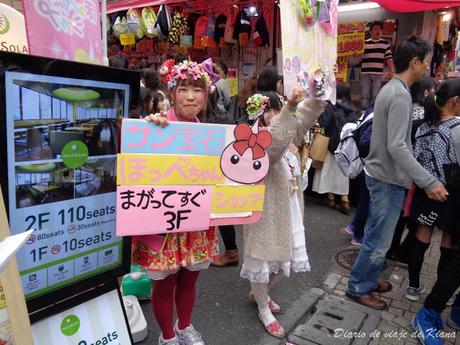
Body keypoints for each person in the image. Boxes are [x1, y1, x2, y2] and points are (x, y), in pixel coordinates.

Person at [345, 36, 448, 311]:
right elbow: (397, 146)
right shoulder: (400, 94)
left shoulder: (391, 88)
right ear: (414, 63)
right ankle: (358, 287)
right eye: (426, 62)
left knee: (377, 236)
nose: (428, 67)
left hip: (382, 175)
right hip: (386, 179)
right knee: (378, 240)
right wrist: (428, 181)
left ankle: (368, 277)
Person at [133, 60, 218, 345]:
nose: (191, 96)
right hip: (162, 222)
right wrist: (147, 129)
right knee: (164, 284)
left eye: (197, 89)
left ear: (206, 96)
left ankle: (185, 327)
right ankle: (168, 337)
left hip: (196, 219)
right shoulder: (158, 125)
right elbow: (136, 158)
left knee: (189, 280)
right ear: (172, 93)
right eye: (183, 89)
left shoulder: (209, 135)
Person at [241, 87, 325, 338]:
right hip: (265, 215)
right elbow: (273, 148)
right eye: (272, 109)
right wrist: (289, 110)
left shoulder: (286, 130)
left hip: (288, 212)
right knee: (263, 260)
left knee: (284, 260)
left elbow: (302, 122)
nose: (278, 112)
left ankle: (259, 293)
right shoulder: (256, 140)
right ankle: (263, 308)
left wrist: (317, 95)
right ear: (260, 113)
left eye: (279, 107)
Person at [405, 79, 460, 303]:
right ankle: (440, 290)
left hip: (424, 189)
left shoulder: (424, 124)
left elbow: (414, 157)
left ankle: (413, 286)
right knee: (448, 240)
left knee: (421, 235)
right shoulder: (456, 129)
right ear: (455, 102)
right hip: (451, 193)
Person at [312, 84, 357, 214]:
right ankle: (345, 199)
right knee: (342, 174)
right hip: (346, 146)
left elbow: (324, 122)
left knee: (328, 170)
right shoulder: (352, 108)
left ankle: (331, 198)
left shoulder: (331, 105)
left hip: (331, 143)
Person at [360, 21, 395, 109]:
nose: (378, 31)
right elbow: (358, 57)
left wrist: (392, 71)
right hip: (365, 73)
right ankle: (364, 114)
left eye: (380, 29)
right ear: (370, 31)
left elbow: (389, 58)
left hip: (378, 74)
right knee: (365, 95)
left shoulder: (385, 44)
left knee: (375, 96)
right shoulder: (364, 43)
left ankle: (372, 115)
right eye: (375, 29)